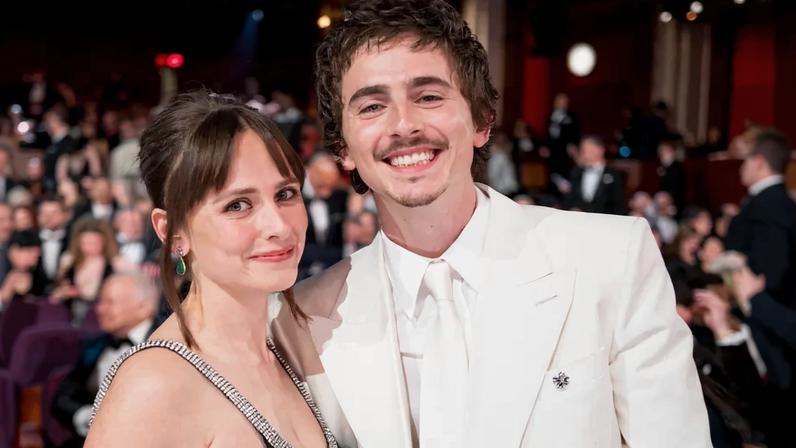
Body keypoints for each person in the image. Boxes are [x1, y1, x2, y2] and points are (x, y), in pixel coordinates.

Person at [270, 1, 710, 447]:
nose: (403, 125)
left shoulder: (612, 258)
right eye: (370, 107)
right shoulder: (301, 317)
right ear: (342, 148)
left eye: (428, 96)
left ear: (481, 121)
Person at [86, 92, 336, 448]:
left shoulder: (288, 352)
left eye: (285, 194)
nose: (279, 225)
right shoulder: (154, 387)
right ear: (173, 232)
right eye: (238, 205)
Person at [51, 272, 160, 448]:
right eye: (100, 301)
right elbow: (62, 398)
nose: (99, 309)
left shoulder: (169, 345)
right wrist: (88, 417)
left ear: (143, 307)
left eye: (110, 302)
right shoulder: (94, 346)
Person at [724, 129, 796, 308]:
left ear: (759, 163)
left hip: (762, 313)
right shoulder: (772, 201)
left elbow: (771, 269)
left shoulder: (770, 204)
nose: (741, 166)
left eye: (746, 159)